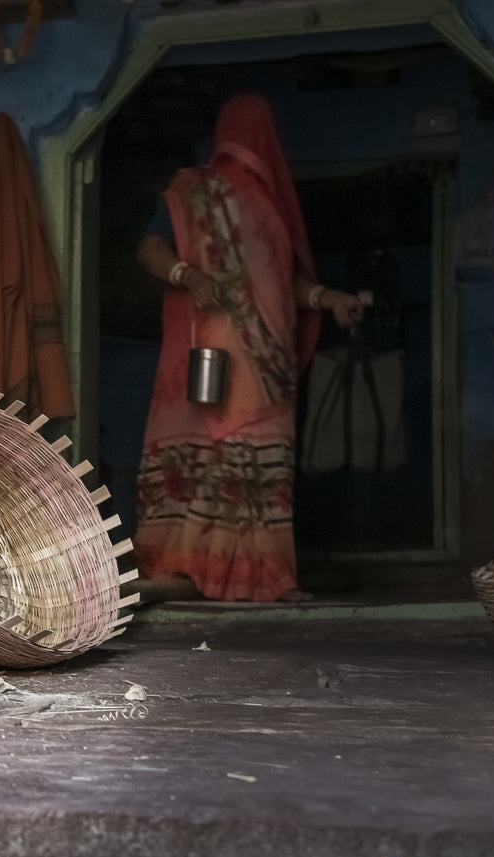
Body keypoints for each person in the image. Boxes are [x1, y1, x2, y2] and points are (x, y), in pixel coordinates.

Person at [132, 93, 363, 603]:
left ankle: (268, 577)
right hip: (208, 358)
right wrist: (187, 276)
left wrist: (330, 298)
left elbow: (284, 285)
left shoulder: (272, 208)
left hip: (264, 367)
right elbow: (150, 250)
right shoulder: (193, 192)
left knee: (259, 468)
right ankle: (186, 567)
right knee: (207, 460)